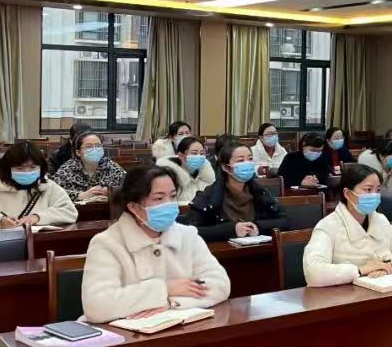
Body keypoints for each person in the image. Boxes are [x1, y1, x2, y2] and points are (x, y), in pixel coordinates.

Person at [81, 166, 230, 323]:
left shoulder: (187, 235)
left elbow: (219, 284)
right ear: (133, 207)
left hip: (181, 327)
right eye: (159, 199)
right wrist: (164, 289)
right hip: (123, 333)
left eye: (173, 196)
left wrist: (171, 302)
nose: (169, 204)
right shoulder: (107, 243)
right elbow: (97, 306)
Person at [303, 164, 392, 287]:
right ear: (347, 193)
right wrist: (361, 270)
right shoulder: (328, 226)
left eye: (378, 190)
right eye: (368, 190)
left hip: (385, 289)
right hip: (345, 295)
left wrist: (390, 265)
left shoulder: (380, 220)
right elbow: (313, 272)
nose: (374, 195)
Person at [0, 141, 77, 230]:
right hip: (2, 246)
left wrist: (38, 217)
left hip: (41, 243)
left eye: (33, 167)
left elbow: (69, 212)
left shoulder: (48, 186)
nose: (27, 172)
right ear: (8, 168)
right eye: (19, 168)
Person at [183, 142, 287, 241]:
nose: (247, 164)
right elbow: (193, 231)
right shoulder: (209, 196)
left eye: (250, 159)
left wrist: (258, 227)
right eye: (240, 160)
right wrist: (232, 229)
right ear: (226, 168)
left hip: (258, 249)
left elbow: (284, 220)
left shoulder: (259, 192)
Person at [51, 131, 127, 202]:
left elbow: (130, 187)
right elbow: (53, 194)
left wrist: (112, 191)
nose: (95, 150)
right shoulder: (67, 169)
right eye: (89, 147)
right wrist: (81, 195)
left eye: (98, 146)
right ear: (78, 152)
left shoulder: (110, 165)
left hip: (107, 210)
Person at [156, 136, 216, 203]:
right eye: (194, 153)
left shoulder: (207, 181)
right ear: (181, 156)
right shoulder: (169, 181)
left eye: (202, 153)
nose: (199, 157)